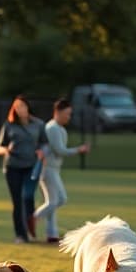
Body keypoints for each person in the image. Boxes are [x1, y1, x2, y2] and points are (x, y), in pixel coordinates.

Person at [33, 98, 89, 243]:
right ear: (57, 112)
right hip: (47, 169)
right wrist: (79, 149)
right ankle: (34, 218)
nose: (68, 117)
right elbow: (60, 150)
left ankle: (52, 234)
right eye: (67, 113)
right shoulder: (52, 128)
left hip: (53, 169)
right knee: (59, 199)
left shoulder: (60, 128)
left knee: (52, 201)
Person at [0, 95, 46, 243]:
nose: (20, 109)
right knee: (17, 201)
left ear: (28, 107)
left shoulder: (38, 124)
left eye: (22, 106)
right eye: (17, 107)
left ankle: (30, 228)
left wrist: (42, 151)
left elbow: (45, 143)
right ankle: (21, 235)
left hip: (31, 167)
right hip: (13, 167)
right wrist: (6, 150)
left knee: (28, 197)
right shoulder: (9, 125)